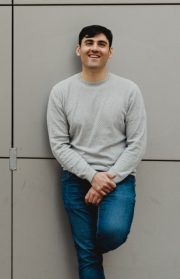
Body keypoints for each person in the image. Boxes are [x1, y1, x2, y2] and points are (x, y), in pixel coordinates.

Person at [47, 25, 146, 279]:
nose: (95, 48)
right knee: (87, 258)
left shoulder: (129, 90)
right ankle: (89, 251)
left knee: (113, 233)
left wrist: (105, 179)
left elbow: (137, 143)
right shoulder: (61, 92)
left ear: (110, 52)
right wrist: (92, 176)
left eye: (101, 44)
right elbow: (59, 144)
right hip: (76, 180)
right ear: (79, 49)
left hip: (119, 179)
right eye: (89, 42)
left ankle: (89, 246)